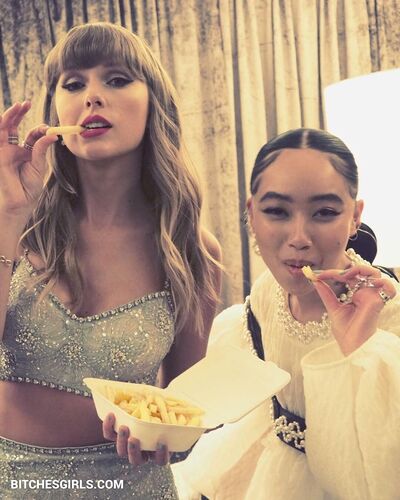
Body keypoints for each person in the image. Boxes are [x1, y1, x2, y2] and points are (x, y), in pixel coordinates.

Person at [0, 22, 221, 499]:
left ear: (154, 103)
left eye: (117, 79)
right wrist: (8, 217)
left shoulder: (189, 250)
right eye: (73, 84)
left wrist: (163, 439)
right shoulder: (13, 219)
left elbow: (185, 416)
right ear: (55, 110)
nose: (92, 97)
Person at [172, 128, 400, 500]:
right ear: (251, 214)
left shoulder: (390, 316)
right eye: (277, 211)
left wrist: (360, 350)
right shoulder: (266, 294)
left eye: (324, 213)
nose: (298, 238)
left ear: (355, 217)